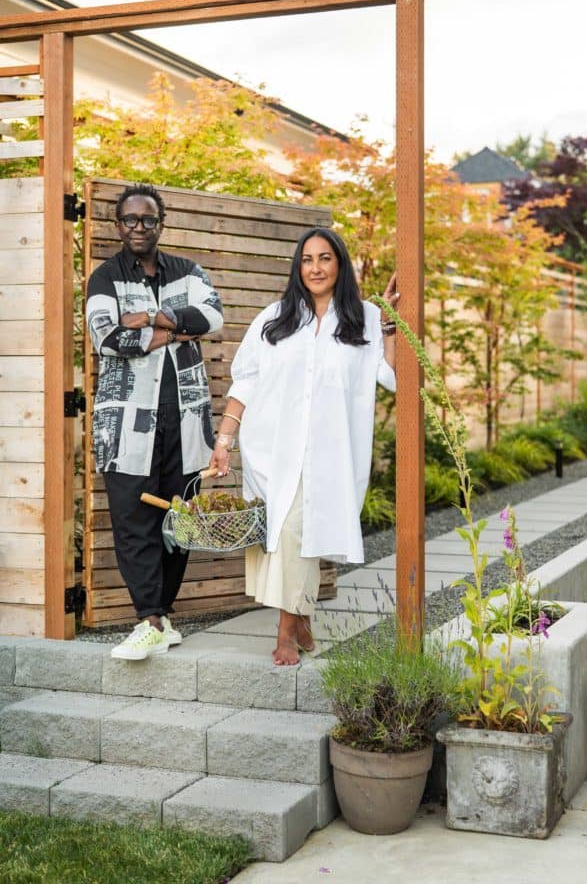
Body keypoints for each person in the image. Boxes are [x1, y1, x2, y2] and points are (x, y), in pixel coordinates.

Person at [210, 227, 397, 665]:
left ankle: (294, 622)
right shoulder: (275, 318)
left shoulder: (364, 318)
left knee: (302, 535)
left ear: (340, 264)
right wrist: (224, 440)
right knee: (285, 534)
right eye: (307, 259)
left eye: (325, 258)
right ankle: (290, 628)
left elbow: (394, 377)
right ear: (298, 267)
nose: (315, 267)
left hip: (330, 454)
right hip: (273, 448)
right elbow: (246, 380)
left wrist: (389, 325)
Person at [86, 183, 224, 660]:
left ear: (160, 223)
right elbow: (104, 337)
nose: (139, 227)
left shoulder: (188, 272)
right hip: (125, 427)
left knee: (177, 522)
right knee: (132, 523)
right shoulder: (104, 278)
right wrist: (170, 332)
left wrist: (149, 317)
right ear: (118, 224)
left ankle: (162, 616)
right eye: (129, 220)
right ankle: (148, 618)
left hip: (185, 422)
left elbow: (213, 316)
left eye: (148, 219)